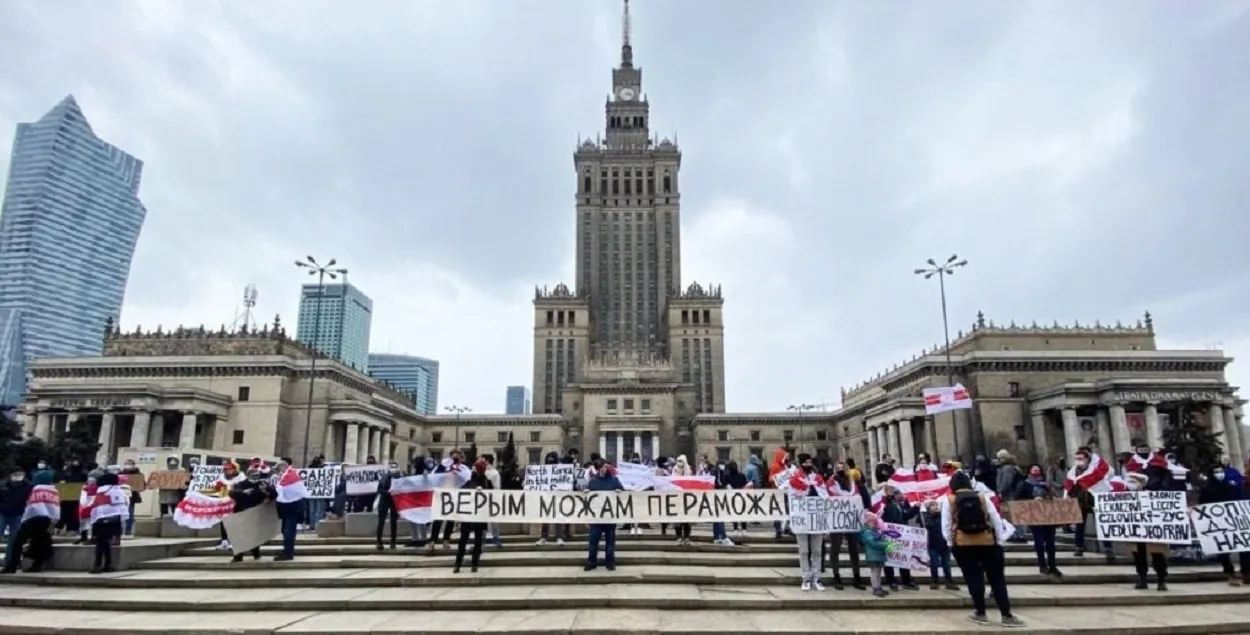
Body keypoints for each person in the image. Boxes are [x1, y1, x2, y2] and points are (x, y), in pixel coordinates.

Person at [940, 470, 1023, 627]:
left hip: (963, 544)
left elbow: (945, 526)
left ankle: (981, 613)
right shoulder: (982, 498)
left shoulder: (949, 501)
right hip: (988, 543)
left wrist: (951, 543)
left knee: (973, 579)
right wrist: (998, 540)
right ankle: (1006, 615)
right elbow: (996, 520)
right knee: (997, 579)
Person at [1199, 463, 1249, 585]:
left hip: (1234, 520)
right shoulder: (1207, 489)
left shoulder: (1231, 486)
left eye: (1221, 471)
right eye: (1216, 471)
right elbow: (1202, 505)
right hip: (1218, 523)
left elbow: (1240, 499)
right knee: (1223, 551)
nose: (1219, 474)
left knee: (1244, 548)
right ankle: (1229, 572)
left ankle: (1246, 572)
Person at [1, 469, 59, 574]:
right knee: (40, 542)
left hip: (32, 519)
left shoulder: (35, 489)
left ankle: (11, 566)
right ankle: (37, 565)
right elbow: (55, 507)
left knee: (17, 542)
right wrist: (54, 522)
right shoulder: (53, 490)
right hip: (47, 520)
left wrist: (25, 519)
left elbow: (31, 506)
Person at [788, 453, 827, 591]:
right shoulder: (794, 479)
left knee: (817, 551)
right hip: (802, 520)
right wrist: (799, 494)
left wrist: (812, 488)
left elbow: (824, 496)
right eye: (806, 463)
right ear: (800, 464)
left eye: (810, 463)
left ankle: (817, 577)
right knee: (804, 551)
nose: (808, 465)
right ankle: (806, 578)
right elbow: (791, 498)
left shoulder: (818, 479)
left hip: (816, 520)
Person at [1015, 464, 1062, 577]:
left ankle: (1053, 565)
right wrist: (1032, 499)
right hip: (1035, 517)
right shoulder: (1024, 484)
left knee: (1051, 543)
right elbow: (1017, 499)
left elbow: (1055, 495)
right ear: (1030, 471)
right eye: (1033, 469)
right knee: (1039, 542)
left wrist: (1052, 498)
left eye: (1038, 469)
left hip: (1049, 516)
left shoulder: (1046, 484)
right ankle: (1042, 565)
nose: (1036, 470)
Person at [826, 465, 865, 590]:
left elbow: (858, 498)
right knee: (835, 548)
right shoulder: (830, 483)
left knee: (854, 548)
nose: (840, 469)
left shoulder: (853, 484)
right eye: (838, 467)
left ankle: (857, 577)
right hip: (836, 519)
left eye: (842, 467)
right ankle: (836, 576)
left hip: (851, 519)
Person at [228, 463, 275, 563]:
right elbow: (232, 493)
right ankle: (238, 556)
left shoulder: (262, 485)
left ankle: (255, 551)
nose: (255, 476)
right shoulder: (241, 484)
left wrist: (268, 493)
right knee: (239, 536)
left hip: (255, 513)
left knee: (253, 535)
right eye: (253, 473)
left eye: (257, 474)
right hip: (242, 512)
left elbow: (274, 494)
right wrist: (243, 492)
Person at [83, 471, 128, 574]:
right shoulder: (119, 490)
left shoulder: (102, 491)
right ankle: (108, 564)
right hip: (115, 520)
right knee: (106, 543)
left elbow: (95, 505)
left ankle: (98, 564)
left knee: (100, 543)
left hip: (102, 520)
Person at [453, 459, 492, 573]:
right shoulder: (469, 483)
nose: (472, 471)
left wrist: (484, 491)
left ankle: (471, 564)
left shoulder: (486, 483)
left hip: (478, 516)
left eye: (475, 469)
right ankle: (459, 564)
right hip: (469, 516)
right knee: (465, 540)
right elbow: (460, 494)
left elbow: (493, 496)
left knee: (475, 541)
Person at [585, 458, 624, 571]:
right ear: (599, 468)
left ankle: (610, 562)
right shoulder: (592, 481)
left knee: (610, 542)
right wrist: (586, 491)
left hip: (610, 517)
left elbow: (623, 493)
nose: (606, 469)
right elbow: (587, 499)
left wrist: (619, 491)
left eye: (608, 467)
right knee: (593, 542)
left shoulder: (614, 480)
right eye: (604, 467)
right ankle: (591, 562)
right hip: (596, 518)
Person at [879, 486, 919, 591]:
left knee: (903, 558)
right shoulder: (886, 504)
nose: (902, 495)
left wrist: (915, 508)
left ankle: (906, 580)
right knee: (890, 559)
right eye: (899, 493)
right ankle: (891, 581)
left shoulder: (899, 505)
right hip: (890, 535)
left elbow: (905, 516)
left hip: (901, 535)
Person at [0, 468, 32, 558]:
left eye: (20, 474)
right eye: (16, 474)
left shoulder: (28, 486)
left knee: (14, 539)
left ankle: (9, 561)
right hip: (3, 513)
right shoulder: (3, 485)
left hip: (18, 514)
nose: (18, 476)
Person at [859, 511, 890, 597]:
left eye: (876, 523)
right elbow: (873, 543)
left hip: (878, 555)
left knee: (879, 572)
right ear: (868, 523)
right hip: (873, 556)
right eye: (873, 523)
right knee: (874, 572)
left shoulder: (875, 532)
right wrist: (886, 544)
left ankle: (879, 587)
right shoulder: (867, 532)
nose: (875, 524)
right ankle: (875, 588)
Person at [376, 462, 401, 551]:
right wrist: (388, 493)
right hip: (385, 499)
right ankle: (379, 541)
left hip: (394, 500)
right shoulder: (384, 477)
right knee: (381, 521)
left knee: (393, 522)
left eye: (395, 466)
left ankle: (393, 542)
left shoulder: (400, 477)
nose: (393, 468)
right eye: (392, 466)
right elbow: (379, 489)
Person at [670, 455, 694, 546]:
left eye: (681, 461)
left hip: (687, 499)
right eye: (678, 460)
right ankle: (679, 537)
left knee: (687, 520)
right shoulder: (674, 470)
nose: (679, 463)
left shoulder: (689, 470)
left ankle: (687, 537)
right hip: (677, 498)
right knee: (677, 520)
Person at [482, 455, 503, 548]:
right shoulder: (481, 471)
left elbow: (497, 487)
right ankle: (482, 538)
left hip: (492, 499)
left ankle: (496, 537)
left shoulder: (495, 473)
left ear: (487, 461)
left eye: (483, 460)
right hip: (481, 500)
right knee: (482, 520)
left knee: (494, 520)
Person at [118, 460, 143, 536]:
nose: (128, 465)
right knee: (119, 514)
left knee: (130, 513)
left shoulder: (138, 474)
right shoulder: (120, 473)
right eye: (126, 463)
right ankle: (120, 530)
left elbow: (142, 485)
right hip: (120, 496)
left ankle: (128, 530)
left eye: (130, 464)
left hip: (132, 497)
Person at [725, 461, 750, 537]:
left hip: (740, 496)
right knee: (736, 513)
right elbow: (726, 484)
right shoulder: (729, 476)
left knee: (742, 513)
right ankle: (737, 529)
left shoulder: (741, 475)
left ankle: (742, 529)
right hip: (734, 497)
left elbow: (745, 485)